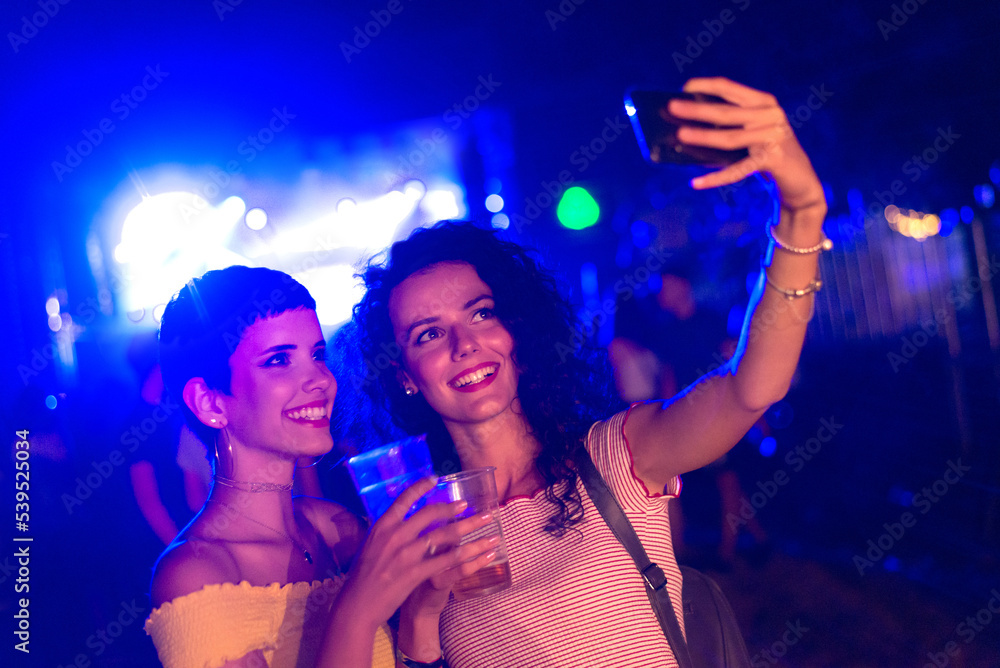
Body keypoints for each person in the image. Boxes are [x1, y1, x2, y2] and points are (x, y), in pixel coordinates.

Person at [352, 77, 829, 666]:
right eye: (428, 333)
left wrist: (802, 211)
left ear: (515, 334)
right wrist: (424, 606)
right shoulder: (416, 537)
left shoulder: (616, 459)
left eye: (481, 314)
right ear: (404, 374)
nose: (464, 344)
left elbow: (752, 386)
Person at [144, 266, 498, 668]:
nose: (320, 380)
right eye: (279, 360)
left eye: (317, 355)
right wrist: (357, 610)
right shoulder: (194, 575)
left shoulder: (335, 529)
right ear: (210, 404)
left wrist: (425, 607)